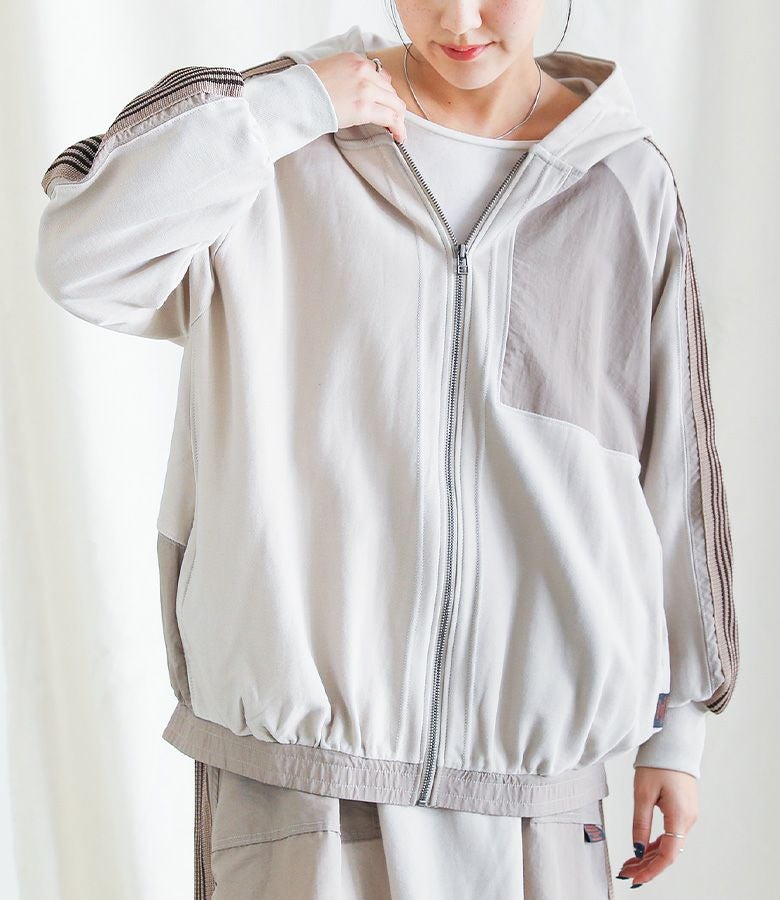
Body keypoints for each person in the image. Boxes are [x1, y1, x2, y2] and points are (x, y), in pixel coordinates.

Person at [34, 1, 739, 897]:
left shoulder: (624, 181)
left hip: (537, 793)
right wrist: (290, 108)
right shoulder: (283, 134)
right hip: (300, 779)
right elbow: (81, 259)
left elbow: (675, 464)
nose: (460, 16)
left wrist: (677, 730)